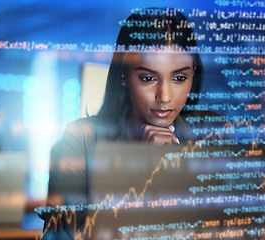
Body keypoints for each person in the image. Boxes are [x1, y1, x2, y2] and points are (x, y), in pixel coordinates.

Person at [39, 8, 225, 239]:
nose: (164, 97)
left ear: (193, 74)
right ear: (124, 76)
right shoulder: (81, 139)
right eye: (148, 78)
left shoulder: (211, 132)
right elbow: (60, 235)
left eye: (179, 78)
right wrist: (137, 175)